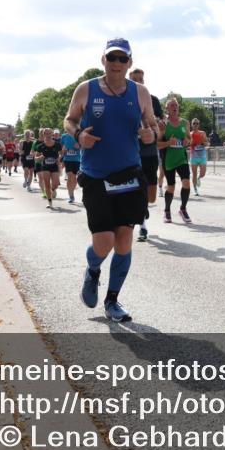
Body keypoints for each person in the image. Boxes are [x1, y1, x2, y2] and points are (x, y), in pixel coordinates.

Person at [64, 38, 157, 322]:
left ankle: (113, 301)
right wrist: (79, 135)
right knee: (103, 241)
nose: (117, 64)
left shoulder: (140, 92)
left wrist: (151, 134)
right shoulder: (86, 89)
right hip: (95, 174)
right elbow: (68, 120)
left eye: (122, 59)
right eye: (112, 58)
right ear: (103, 59)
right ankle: (93, 271)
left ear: (129, 63)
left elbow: (153, 125)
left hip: (129, 173)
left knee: (125, 239)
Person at [128, 68, 163, 242]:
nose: (138, 82)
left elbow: (160, 126)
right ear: (129, 79)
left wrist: (156, 125)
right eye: (135, 79)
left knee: (151, 195)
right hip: (131, 151)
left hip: (149, 150)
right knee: (137, 189)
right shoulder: (123, 99)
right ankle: (142, 225)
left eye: (141, 79)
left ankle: (143, 207)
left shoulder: (153, 100)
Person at [159, 97, 193, 224]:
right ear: (167, 108)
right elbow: (157, 144)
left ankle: (183, 209)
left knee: (186, 183)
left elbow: (189, 139)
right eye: (172, 105)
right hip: (168, 160)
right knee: (171, 187)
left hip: (181, 158)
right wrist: (168, 142)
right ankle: (167, 211)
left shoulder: (185, 123)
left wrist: (187, 141)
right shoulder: (163, 124)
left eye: (176, 105)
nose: (175, 107)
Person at [35, 128, 61, 208]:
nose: (47, 135)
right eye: (46, 133)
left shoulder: (57, 144)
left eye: (49, 133)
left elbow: (61, 154)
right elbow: (36, 157)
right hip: (45, 166)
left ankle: (52, 190)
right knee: (47, 184)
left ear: (52, 134)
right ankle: (50, 202)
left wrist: (59, 158)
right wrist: (40, 157)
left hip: (54, 166)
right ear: (43, 134)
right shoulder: (41, 146)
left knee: (56, 184)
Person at [60, 128, 82, 204]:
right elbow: (61, 148)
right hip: (67, 159)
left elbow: (84, 146)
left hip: (77, 159)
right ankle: (71, 195)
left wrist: (79, 146)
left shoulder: (79, 135)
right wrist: (63, 150)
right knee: (70, 175)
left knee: (75, 177)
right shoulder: (64, 136)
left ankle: (71, 190)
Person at [188, 118, 209, 196]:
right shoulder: (190, 134)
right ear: (191, 125)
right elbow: (187, 144)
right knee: (194, 173)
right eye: (194, 123)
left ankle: (199, 179)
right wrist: (191, 143)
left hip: (202, 156)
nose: (195, 125)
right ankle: (195, 190)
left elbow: (207, 143)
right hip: (194, 156)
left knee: (203, 173)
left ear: (199, 124)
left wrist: (203, 142)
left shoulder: (202, 133)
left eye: (197, 123)